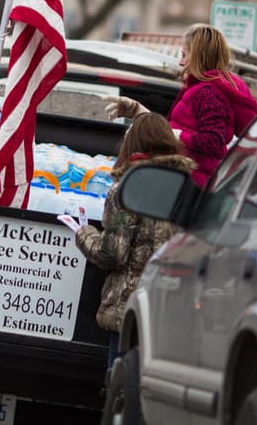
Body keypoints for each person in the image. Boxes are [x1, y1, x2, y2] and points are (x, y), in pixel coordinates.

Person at [73, 112, 193, 366]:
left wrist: (85, 234)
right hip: (166, 310)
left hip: (128, 308)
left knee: (120, 385)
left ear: (132, 143)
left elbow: (112, 253)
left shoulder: (130, 186)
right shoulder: (185, 187)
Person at [104, 23, 257, 187]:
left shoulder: (207, 93)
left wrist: (176, 135)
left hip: (189, 184)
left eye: (184, 54)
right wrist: (138, 112)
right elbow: (182, 130)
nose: (180, 62)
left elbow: (213, 142)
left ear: (198, 56)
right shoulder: (204, 90)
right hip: (186, 179)